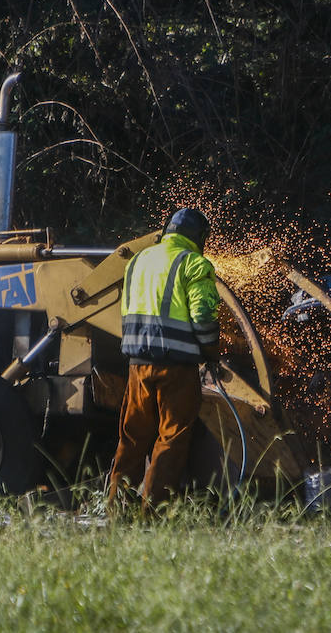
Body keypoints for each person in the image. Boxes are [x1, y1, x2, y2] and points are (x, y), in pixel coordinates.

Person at [108, 207, 219, 509]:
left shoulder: (138, 260)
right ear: (199, 237)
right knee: (171, 438)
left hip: (137, 365)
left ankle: (117, 509)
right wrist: (211, 353)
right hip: (177, 368)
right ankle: (153, 511)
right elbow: (204, 316)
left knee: (132, 438)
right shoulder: (194, 263)